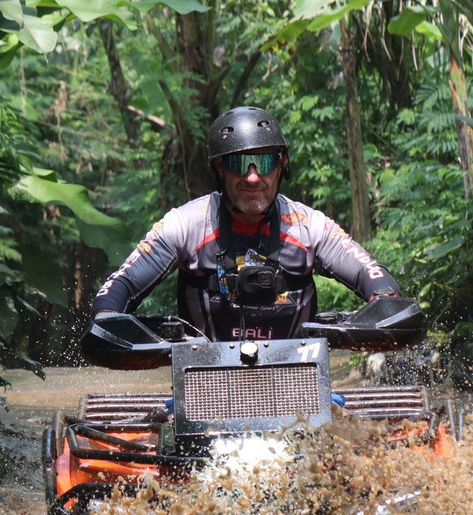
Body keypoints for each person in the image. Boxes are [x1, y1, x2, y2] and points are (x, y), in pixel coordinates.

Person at [92, 105, 402, 342]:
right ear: (219, 168)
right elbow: (121, 284)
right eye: (240, 163)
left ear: (281, 166)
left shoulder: (310, 227)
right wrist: (107, 318)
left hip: (298, 384)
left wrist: (385, 302)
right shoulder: (185, 225)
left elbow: (370, 273)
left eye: (265, 162)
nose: (253, 177)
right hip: (204, 385)